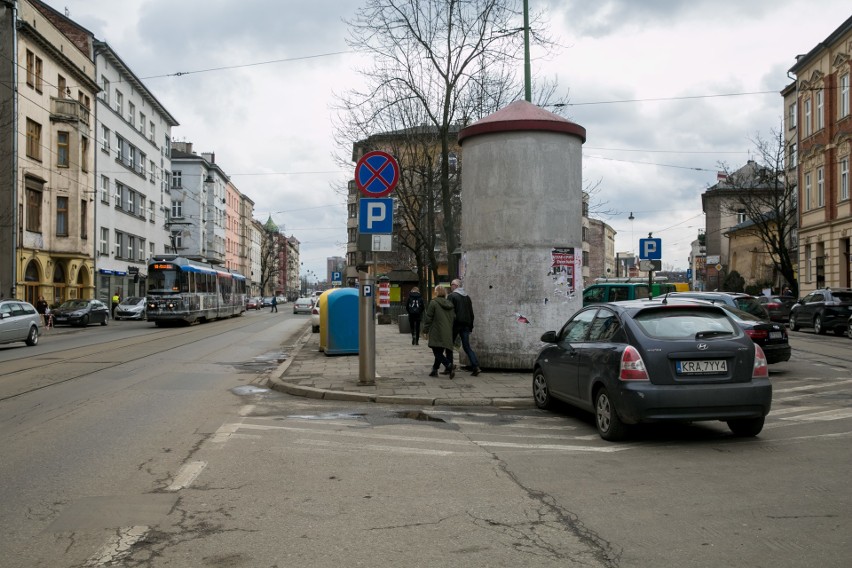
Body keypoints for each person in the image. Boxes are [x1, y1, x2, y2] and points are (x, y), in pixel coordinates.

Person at [448, 278, 481, 376]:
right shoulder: (467, 297)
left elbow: (449, 312)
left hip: (455, 325)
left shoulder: (452, 296)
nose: (451, 286)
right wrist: (470, 326)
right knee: (467, 347)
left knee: (449, 346)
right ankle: (476, 366)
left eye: (452, 284)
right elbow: (471, 313)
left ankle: (449, 367)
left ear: (456, 286)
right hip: (466, 325)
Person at [422, 285, 455, 378]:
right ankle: (434, 369)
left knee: (436, 351)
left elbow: (429, 318)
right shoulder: (449, 304)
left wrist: (425, 330)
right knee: (439, 350)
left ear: (437, 292)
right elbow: (453, 317)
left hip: (436, 330)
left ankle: (449, 365)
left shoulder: (433, 303)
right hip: (447, 331)